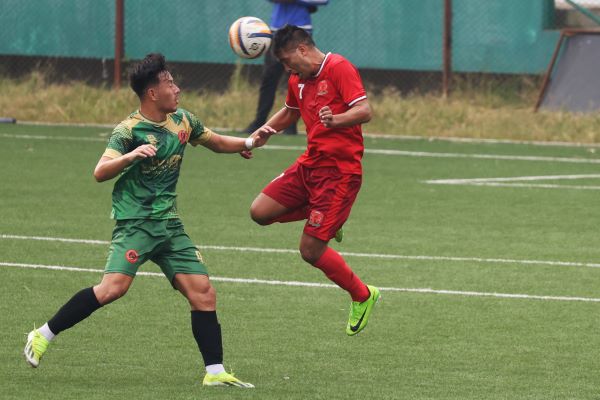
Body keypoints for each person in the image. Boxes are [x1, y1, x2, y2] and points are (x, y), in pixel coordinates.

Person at [23, 53, 275, 388]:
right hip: (136, 223)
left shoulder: (183, 120)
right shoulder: (128, 130)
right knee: (113, 289)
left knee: (203, 292)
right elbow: (100, 172)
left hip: (169, 225)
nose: (177, 88)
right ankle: (43, 334)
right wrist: (130, 156)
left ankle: (214, 372)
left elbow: (214, 142)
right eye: (170, 83)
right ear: (152, 93)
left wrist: (248, 141)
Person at [247, 25, 380, 336]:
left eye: (286, 60)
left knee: (310, 250)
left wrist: (337, 120)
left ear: (302, 49)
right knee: (259, 212)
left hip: (339, 173)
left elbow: (365, 110)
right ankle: (330, 218)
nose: (286, 68)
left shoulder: (338, 67)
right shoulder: (298, 79)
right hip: (309, 166)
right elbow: (290, 111)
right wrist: (262, 131)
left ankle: (362, 295)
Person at [244, 0, 328, 135]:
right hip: (277, 31)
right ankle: (259, 122)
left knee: (298, 80)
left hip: (301, 31)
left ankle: (291, 125)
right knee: (268, 79)